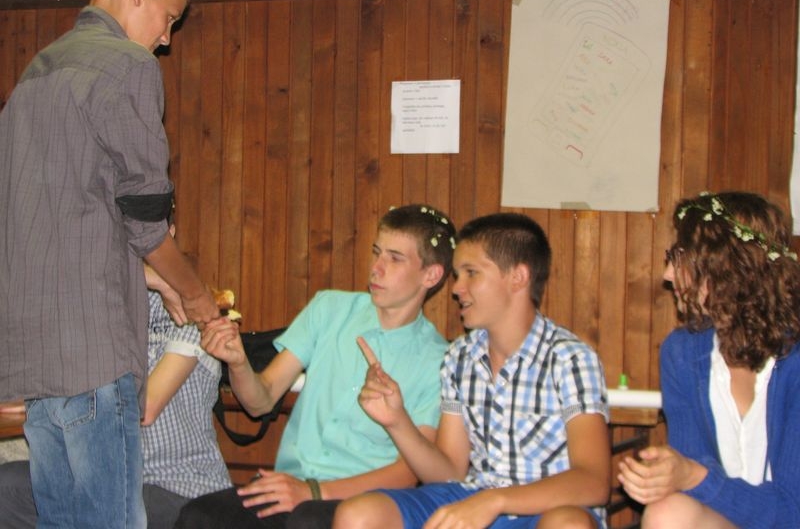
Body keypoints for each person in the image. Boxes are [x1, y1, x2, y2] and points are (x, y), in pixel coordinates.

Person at [0, 0, 223, 527]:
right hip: (96, 355)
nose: (166, 38)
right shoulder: (127, 64)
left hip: (36, 359)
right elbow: (146, 218)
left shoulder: (36, 72)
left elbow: (64, 226)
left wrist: (158, 280)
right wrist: (196, 295)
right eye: (169, 18)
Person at [174, 204, 457, 529]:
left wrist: (314, 492)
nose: (376, 268)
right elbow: (260, 401)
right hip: (290, 487)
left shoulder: (439, 360)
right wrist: (238, 363)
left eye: (395, 259)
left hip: (362, 504)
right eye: (376, 252)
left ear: (431, 275)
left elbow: (409, 472)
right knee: (199, 517)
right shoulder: (330, 309)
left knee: (306, 522)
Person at [334, 212, 611, 529]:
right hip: (473, 496)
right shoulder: (460, 356)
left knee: (569, 525)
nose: (456, 288)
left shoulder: (570, 359)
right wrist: (397, 421)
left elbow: (593, 482)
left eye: (471, 273)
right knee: (359, 514)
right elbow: (449, 472)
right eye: (457, 275)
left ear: (518, 277)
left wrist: (495, 500)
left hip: (545, 509)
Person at [617, 192, 800, 528]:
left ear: (728, 267)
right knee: (667, 512)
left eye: (680, 257)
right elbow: (694, 475)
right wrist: (669, 475)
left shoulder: (795, 362)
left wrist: (693, 475)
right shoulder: (682, 352)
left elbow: (793, 510)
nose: (668, 274)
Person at [0, 286, 234, 529]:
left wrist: (59, 398)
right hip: (101, 477)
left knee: (100, 509)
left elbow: (145, 408)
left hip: (177, 483)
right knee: (6, 487)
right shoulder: (89, 309)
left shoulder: (190, 308)